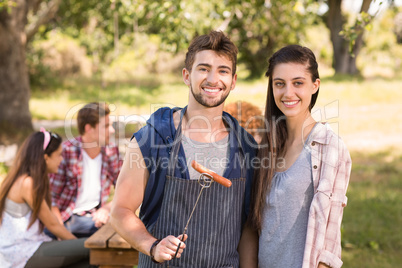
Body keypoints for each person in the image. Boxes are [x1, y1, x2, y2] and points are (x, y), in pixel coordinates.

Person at [110, 31, 258, 267]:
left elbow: (248, 228)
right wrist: (153, 245)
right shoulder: (153, 138)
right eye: (204, 68)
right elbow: (120, 211)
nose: (213, 79)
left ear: (233, 81)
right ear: (186, 75)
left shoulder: (246, 147)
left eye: (223, 71)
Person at [246, 45, 352, 268]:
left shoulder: (330, 147)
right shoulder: (266, 146)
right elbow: (254, 225)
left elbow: (330, 240)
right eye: (279, 84)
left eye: (298, 83)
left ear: (315, 85)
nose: (288, 93)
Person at [0, 129, 89, 268]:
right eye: (59, 155)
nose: (61, 159)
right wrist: (77, 246)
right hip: (22, 253)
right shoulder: (27, 183)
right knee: (92, 248)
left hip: (31, 246)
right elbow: (52, 224)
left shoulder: (28, 180)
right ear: (46, 158)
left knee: (85, 263)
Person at [49, 102, 121, 238]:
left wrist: (106, 208)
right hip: (65, 218)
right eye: (106, 126)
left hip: (92, 219)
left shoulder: (111, 151)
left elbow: (124, 190)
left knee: (122, 232)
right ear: (89, 128)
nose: (112, 130)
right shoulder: (66, 151)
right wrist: (60, 233)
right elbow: (51, 200)